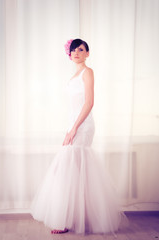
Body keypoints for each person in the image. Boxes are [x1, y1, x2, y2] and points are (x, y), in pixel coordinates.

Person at [31, 38, 126, 235]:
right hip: (73, 124)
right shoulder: (75, 74)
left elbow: (89, 102)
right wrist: (70, 127)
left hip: (82, 126)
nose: (76, 53)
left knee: (69, 170)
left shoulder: (87, 72)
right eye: (73, 50)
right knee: (72, 171)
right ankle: (73, 217)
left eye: (80, 49)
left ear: (87, 53)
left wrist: (74, 128)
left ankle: (65, 220)